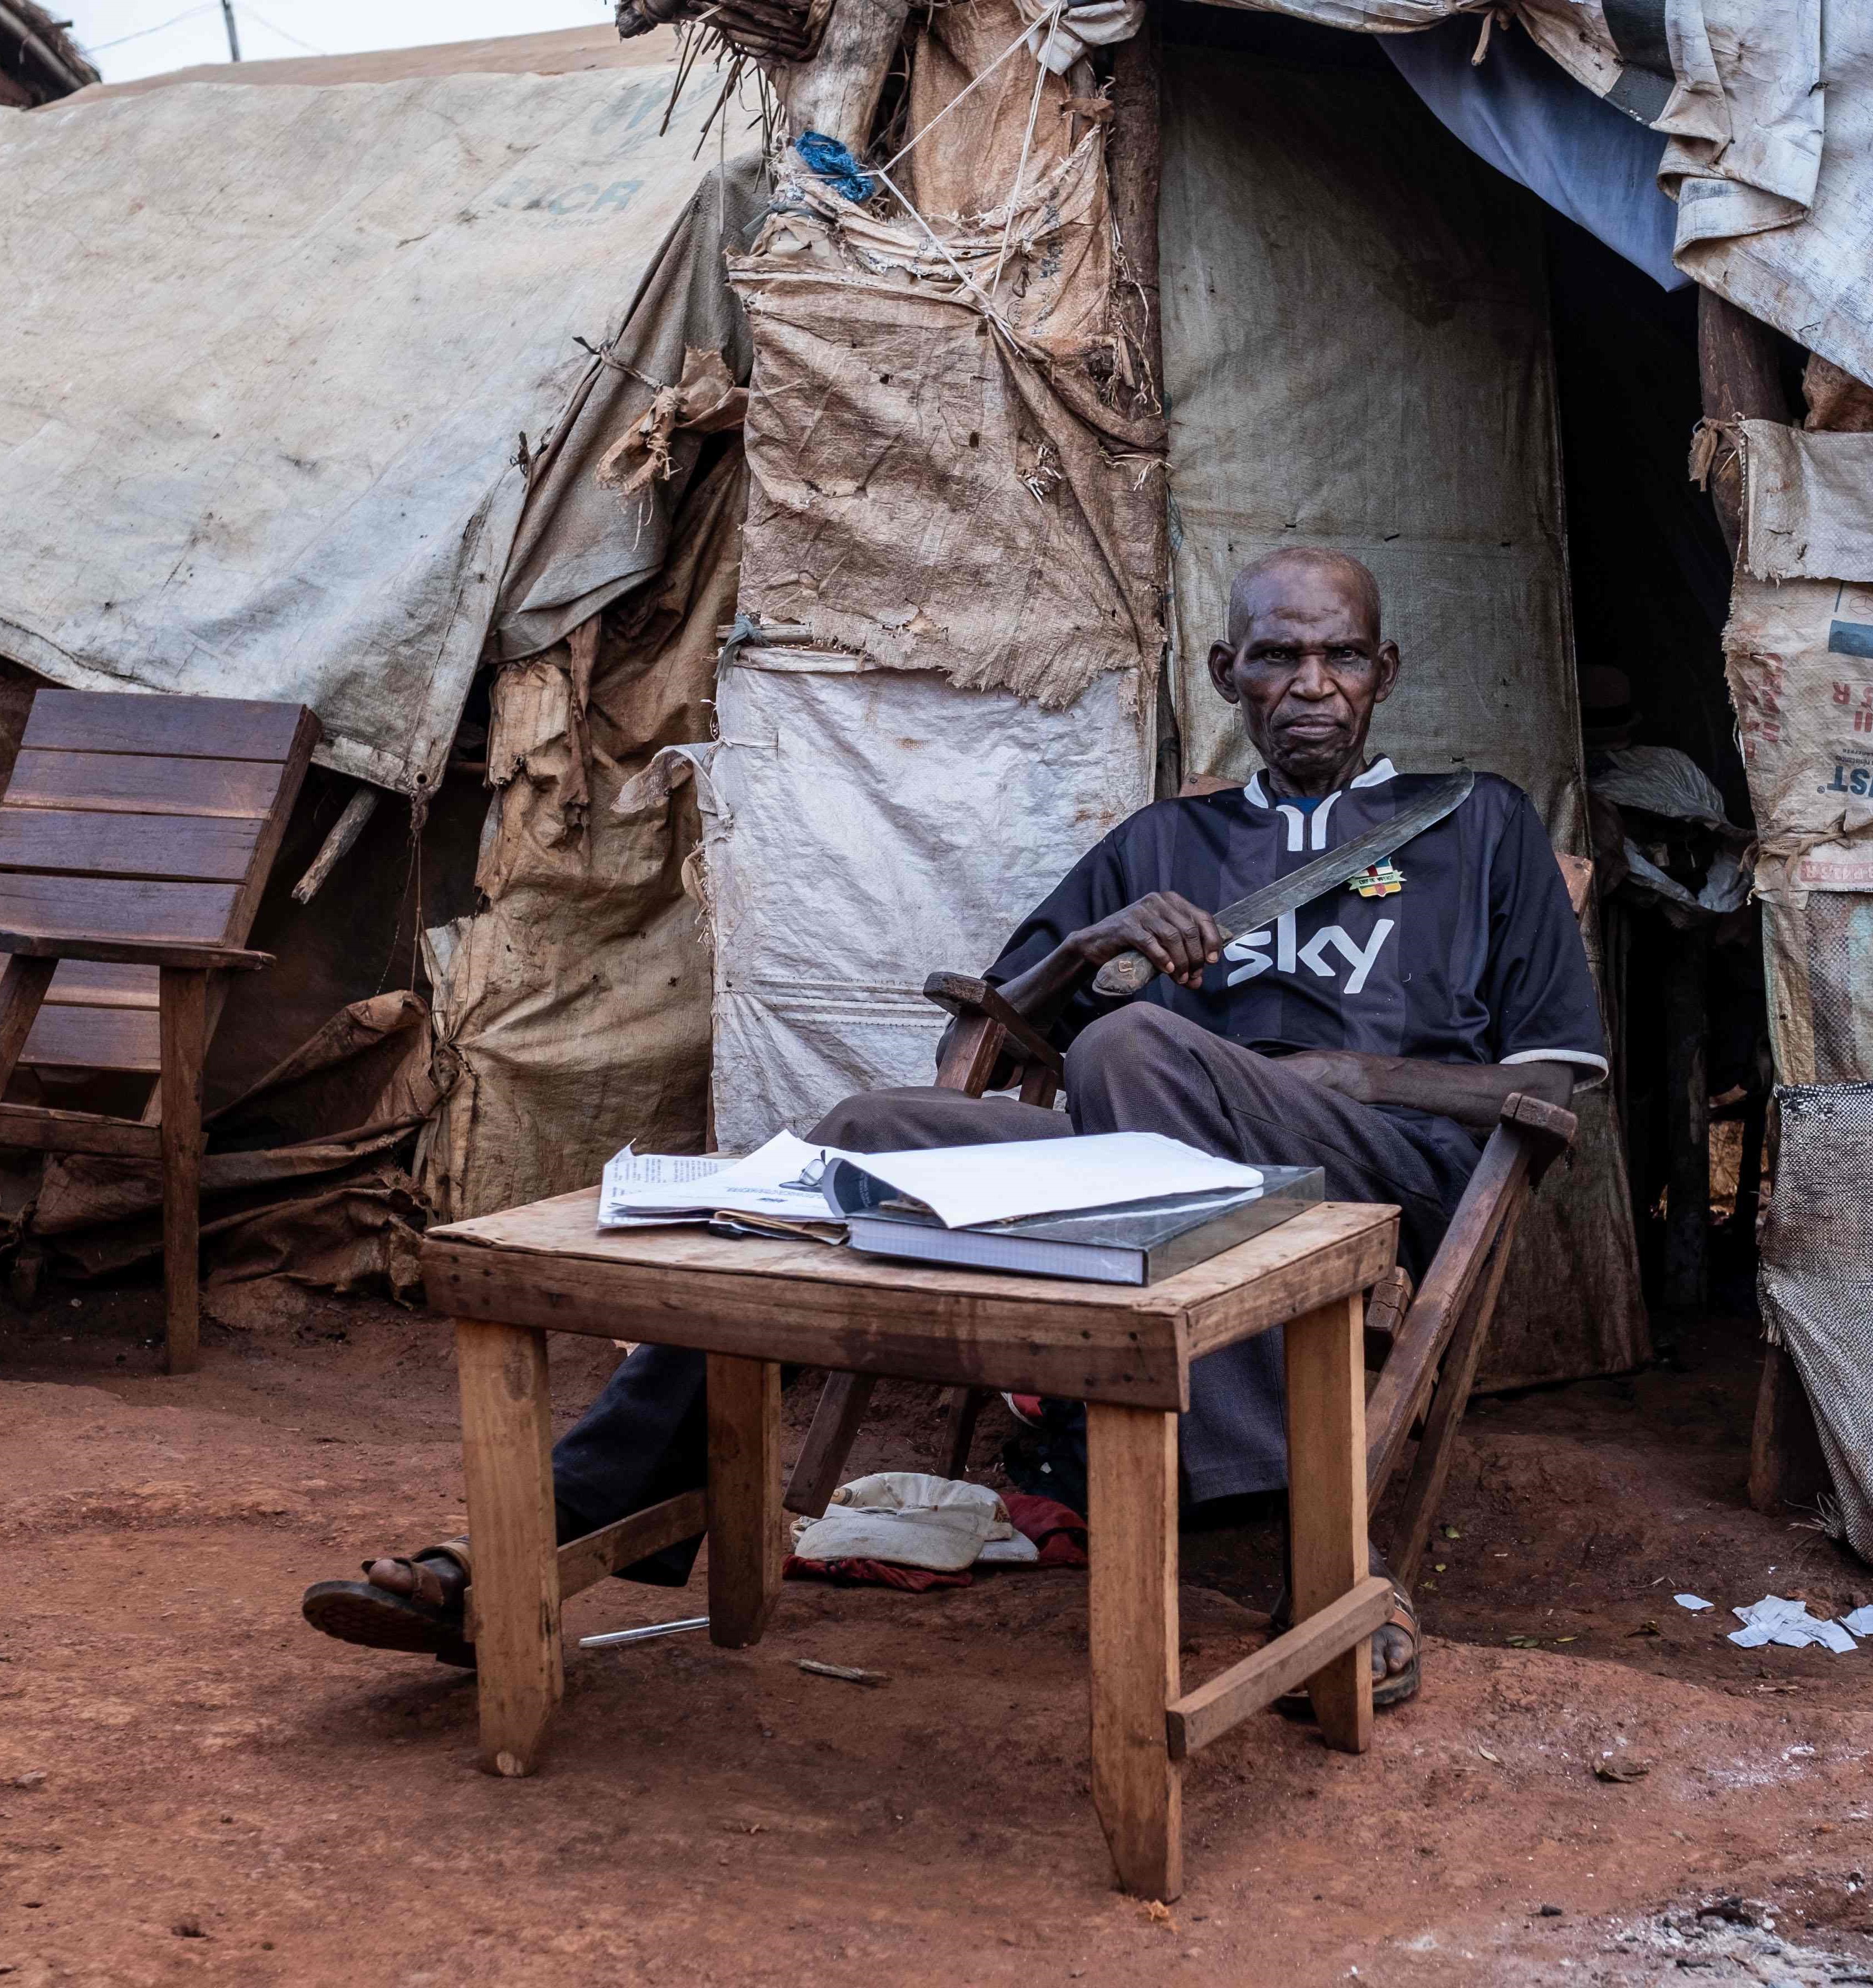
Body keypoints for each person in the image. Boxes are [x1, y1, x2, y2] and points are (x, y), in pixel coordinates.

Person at [301, 547, 1607, 1707]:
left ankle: (1312, 1554)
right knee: (863, 1126)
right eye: (1277, 656)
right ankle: (579, 1506)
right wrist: (1096, 940)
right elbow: (1000, 1020)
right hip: (1140, 1157)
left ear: (1384, 669)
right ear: (1229, 672)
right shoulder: (1171, 837)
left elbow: (1549, 1075)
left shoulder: (1477, 824)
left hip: (1363, 1172)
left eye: (1338, 655)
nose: (1310, 682)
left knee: (1138, 1040)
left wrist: (1282, 1072)